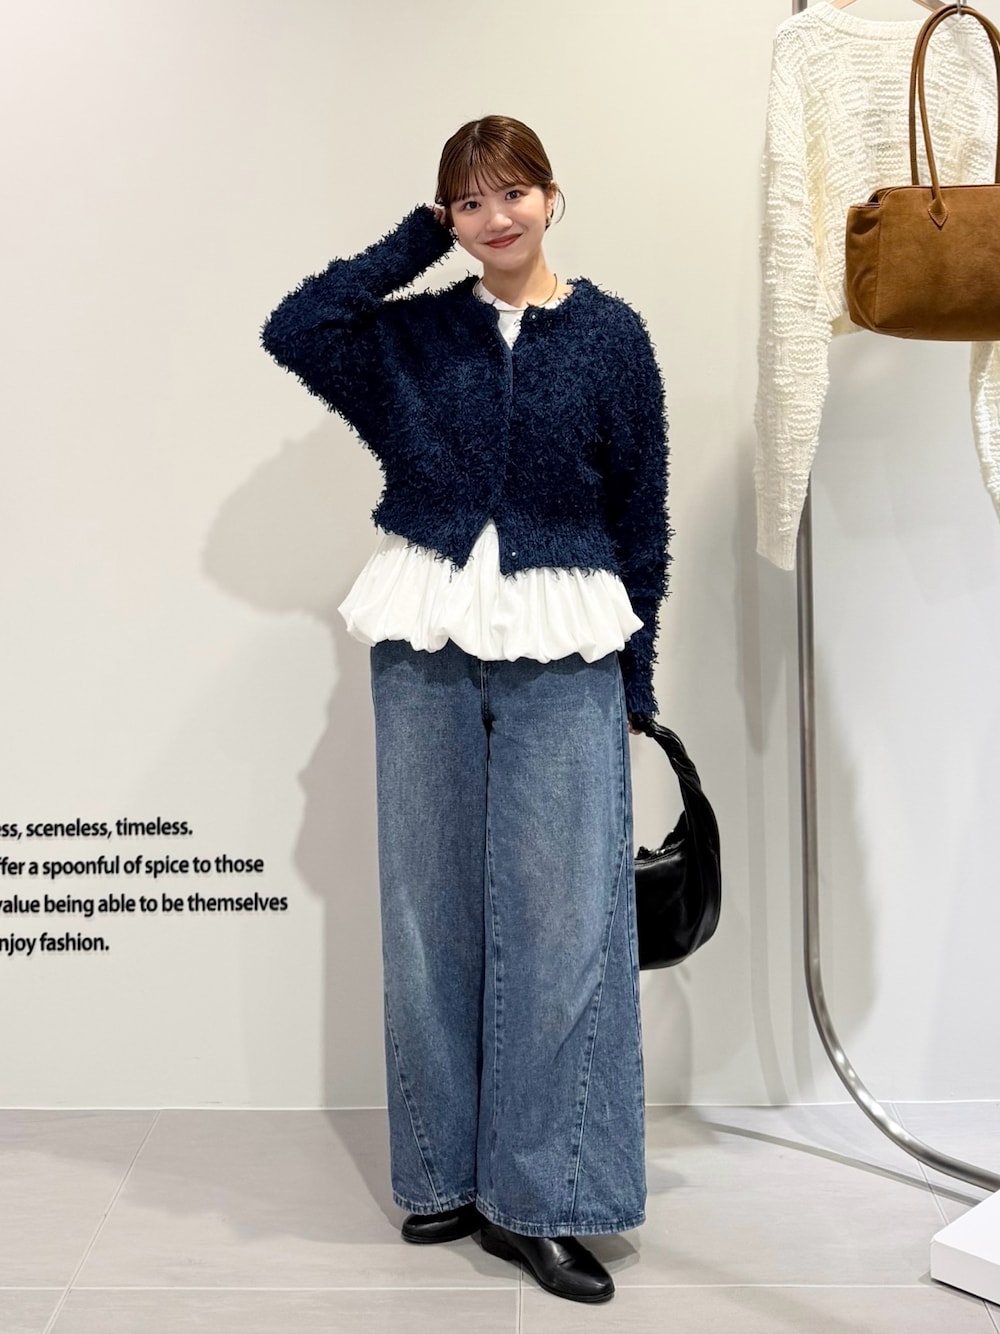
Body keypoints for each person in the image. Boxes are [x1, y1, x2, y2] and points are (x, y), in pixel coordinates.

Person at [262, 115, 669, 1305]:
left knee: (561, 925)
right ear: (449, 216)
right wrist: (414, 242)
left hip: (565, 639)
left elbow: (641, 516)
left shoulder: (610, 335)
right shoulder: (414, 333)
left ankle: (541, 1199)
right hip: (426, 634)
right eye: (470, 201)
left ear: (553, 195)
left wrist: (637, 679)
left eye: (513, 193)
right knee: (425, 907)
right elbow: (298, 327)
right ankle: (441, 1170)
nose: (496, 218)